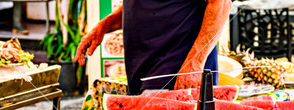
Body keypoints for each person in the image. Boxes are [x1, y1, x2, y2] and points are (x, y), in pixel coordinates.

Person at [75, 0, 232, 95]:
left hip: (176, 77)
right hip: (140, 76)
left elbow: (221, 4)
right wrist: (104, 26)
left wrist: (194, 63)